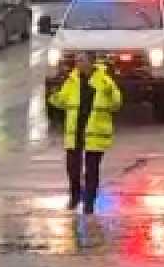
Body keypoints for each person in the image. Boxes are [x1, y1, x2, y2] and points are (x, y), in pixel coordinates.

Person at [48, 52, 122, 213]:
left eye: (81, 60)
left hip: (95, 133)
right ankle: (75, 197)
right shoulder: (72, 80)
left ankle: (89, 203)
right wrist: (54, 96)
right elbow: (63, 101)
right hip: (75, 131)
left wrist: (110, 93)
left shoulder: (104, 81)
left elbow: (116, 104)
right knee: (72, 169)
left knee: (91, 170)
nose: (78, 64)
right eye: (76, 61)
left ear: (91, 62)